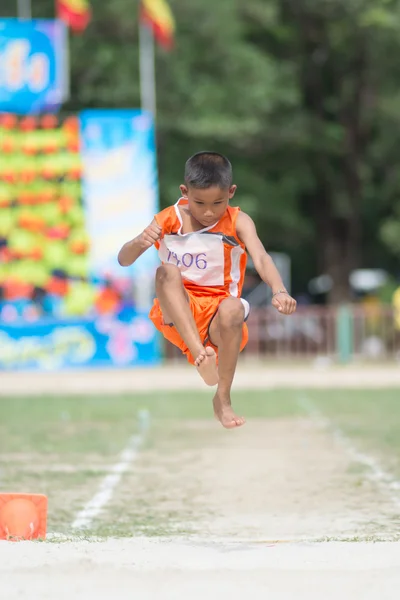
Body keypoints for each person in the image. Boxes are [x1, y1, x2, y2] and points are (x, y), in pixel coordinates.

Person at [118, 152, 297, 428]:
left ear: (231, 193)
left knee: (235, 307)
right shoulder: (169, 218)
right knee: (167, 271)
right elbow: (124, 259)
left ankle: (222, 399)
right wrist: (140, 241)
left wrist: (279, 290)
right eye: (199, 203)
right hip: (179, 311)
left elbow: (261, 258)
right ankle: (199, 353)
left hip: (218, 316)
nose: (209, 212)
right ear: (184, 191)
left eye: (218, 203)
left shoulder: (239, 222)